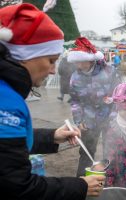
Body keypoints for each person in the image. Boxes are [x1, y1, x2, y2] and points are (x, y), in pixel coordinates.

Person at [0, 3, 104, 200]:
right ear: (24, 56)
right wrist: (80, 186)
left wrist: (52, 137)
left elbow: (7, 146)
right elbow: (16, 187)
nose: (54, 70)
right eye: (50, 60)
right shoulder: (6, 102)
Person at [67, 37, 120, 177]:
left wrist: (114, 118)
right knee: (86, 152)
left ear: (89, 59)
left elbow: (117, 96)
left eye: (79, 60)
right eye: (75, 60)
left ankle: (110, 180)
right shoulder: (75, 77)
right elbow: (75, 101)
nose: (76, 63)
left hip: (109, 119)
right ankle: (81, 182)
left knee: (110, 152)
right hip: (88, 121)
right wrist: (79, 121)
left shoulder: (110, 71)